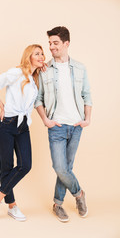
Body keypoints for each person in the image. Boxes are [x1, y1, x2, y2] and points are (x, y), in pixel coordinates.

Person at [35, 26, 92, 222]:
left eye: (55, 43)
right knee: (60, 167)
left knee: (67, 166)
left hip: (76, 126)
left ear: (66, 44)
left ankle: (57, 204)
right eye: (49, 43)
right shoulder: (44, 69)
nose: (51, 47)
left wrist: (87, 119)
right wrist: (45, 120)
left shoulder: (80, 68)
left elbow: (87, 95)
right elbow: (38, 98)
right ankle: (79, 194)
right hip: (56, 126)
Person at [0, 44, 45, 221]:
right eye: (37, 54)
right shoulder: (16, 72)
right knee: (6, 166)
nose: (42, 56)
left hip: (23, 126)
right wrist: (2, 107)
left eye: (43, 54)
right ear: (29, 56)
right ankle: (11, 206)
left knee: (25, 165)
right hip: (7, 124)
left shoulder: (35, 78)